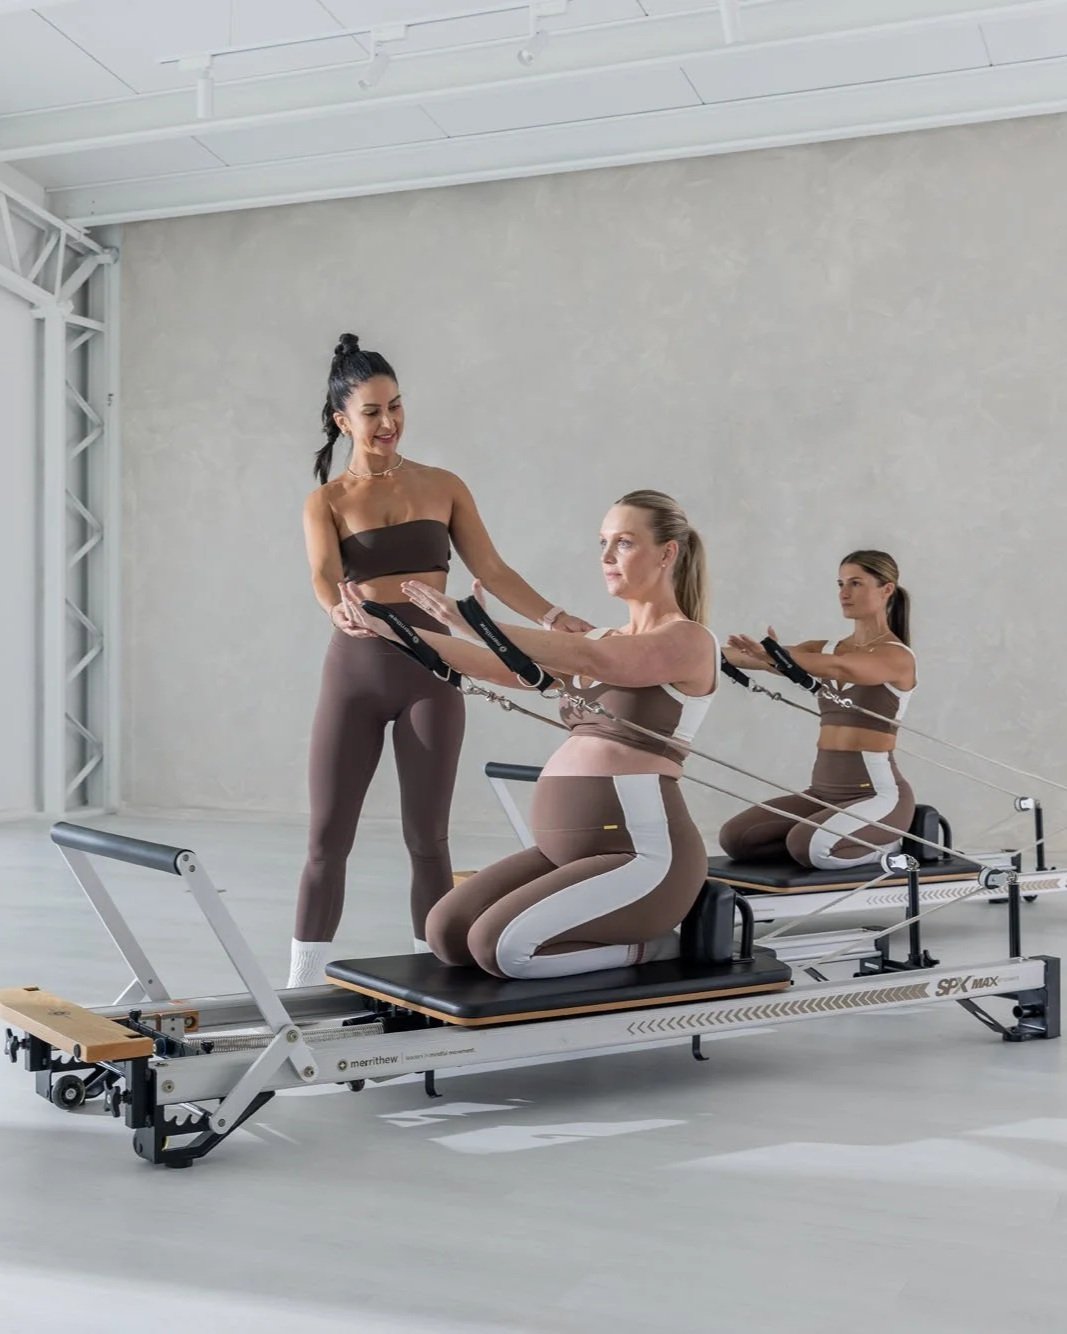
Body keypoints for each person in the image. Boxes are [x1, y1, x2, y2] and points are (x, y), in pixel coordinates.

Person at [289, 334, 590, 988]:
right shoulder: (327, 501)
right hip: (356, 671)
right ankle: (299, 989)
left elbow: (492, 570)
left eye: (395, 405)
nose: (389, 421)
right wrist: (334, 608)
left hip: (433, 670)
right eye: (372, 411)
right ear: (342, 420)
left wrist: (552, 618)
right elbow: (322, 574)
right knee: (326, 840)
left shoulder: (443, 485)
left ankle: (429, 980)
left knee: (428, 839)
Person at [346, 489, 718, 980]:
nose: (606, 556)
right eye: (603, 542)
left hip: (643, 857)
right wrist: (391, 628)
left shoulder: (689, 639)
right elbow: (495, 666)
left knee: (501, 948)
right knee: (447, 931)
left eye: (624, 543)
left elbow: (597, 662)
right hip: (564, 849)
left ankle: (656, 950)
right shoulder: (599, 637)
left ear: (667, 553)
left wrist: (477, 622)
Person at [718, 550, 916, 870]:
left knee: (808, 846)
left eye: (856, 583)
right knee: (738, 838)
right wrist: (690, 649)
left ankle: (886, 844)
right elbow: (747, 657)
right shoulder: (821, 649)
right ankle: (828, 837)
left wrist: (775, 656)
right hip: (823, 793)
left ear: (886, 590)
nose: (844, 593)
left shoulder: (897, 657)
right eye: (840, 584)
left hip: (877, 796)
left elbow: (840, 667)